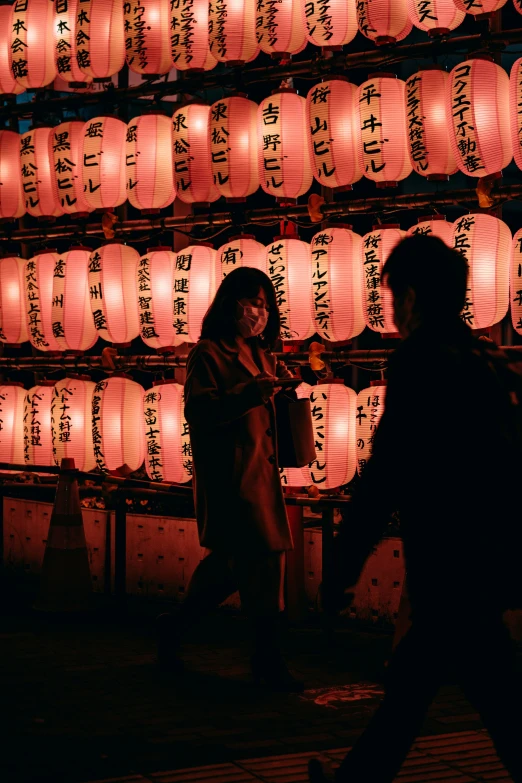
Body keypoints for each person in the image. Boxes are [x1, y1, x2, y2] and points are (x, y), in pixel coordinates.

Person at [309, 234, 522, 782]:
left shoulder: (422, 361)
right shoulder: (487, 359)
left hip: (450, 557)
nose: (393, 310)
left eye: (394, 295)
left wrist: (343, 565)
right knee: (452, 687)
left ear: (412, 297)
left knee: (445, 689)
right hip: (487, 554)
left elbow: (387, 471)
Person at [157, 266, 304, 692]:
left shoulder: (262, 352)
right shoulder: (208, 353)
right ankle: (266, 658)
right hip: (232, 476)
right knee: (260, 561)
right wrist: (252, 392)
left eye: (264, 304)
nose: (258, 311)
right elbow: (200, 411)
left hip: (261, 471)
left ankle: (177, 628)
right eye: (251, 302)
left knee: (232, 567)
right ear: (230, 303)